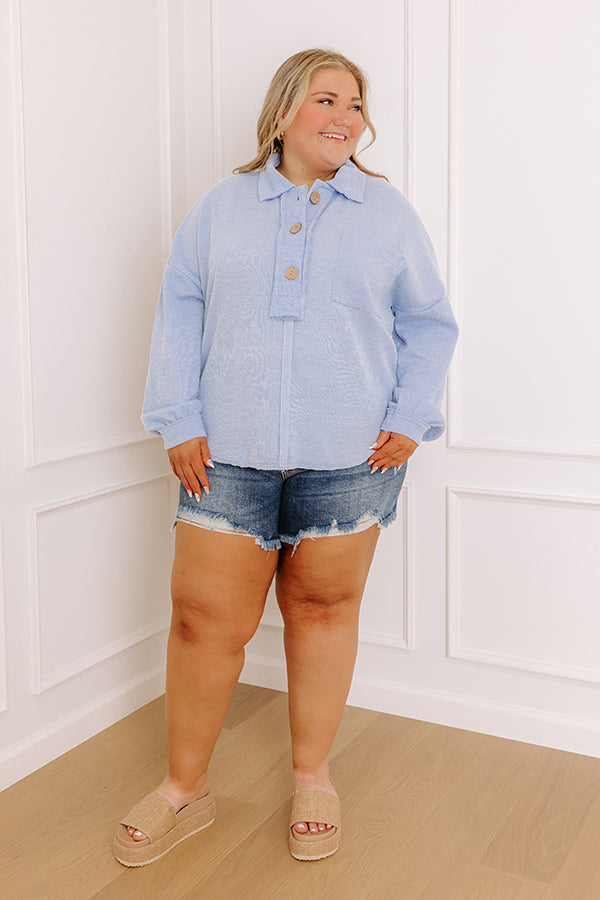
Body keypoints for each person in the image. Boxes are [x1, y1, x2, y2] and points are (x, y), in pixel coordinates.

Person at [113, 47, 458, 866]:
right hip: (224, 457)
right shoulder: (219, 208)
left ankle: (312, 777)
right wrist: (177, 417)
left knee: (324, 613)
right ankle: (184, 789)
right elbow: (179, 310)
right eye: (326, 99)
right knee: (204, 623)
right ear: (281, 113)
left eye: (356, 104)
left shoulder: (388, 214)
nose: (346, 117)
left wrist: (412, 416)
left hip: (351, 459)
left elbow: (430, 324)